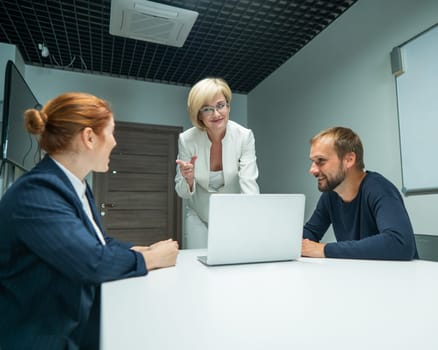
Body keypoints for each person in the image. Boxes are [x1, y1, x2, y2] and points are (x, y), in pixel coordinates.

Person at [0, 92, 179, 349]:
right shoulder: (37, 193)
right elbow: (91, 262)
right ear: (89, 137)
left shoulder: (74, 185)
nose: (115, 142)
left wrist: (137, 249)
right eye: (112, 132)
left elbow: (99, 242)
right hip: (40, 335)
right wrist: (152, 259)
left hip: (71, 321)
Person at [302, 126, 418, 260]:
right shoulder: (331, 195)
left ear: (349, 160)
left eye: (321, 161)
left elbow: (399, 243)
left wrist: (324, 249)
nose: (312, 170)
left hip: (396, 277)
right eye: (313, 162)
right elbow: (310, 233)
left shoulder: (379, 189)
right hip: (360, 275)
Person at [175, 77, 259, 246]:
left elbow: (249, 183)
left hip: (233, 214)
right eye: (207, 109)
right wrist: (189, 180)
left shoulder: (244, 136)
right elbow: (182, 192)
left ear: (228, 106)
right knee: (197, 263)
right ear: (198, 114)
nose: (216, 114)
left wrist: (253, 219)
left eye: (220, 105)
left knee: (231, 264)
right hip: (199, 215)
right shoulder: (187, 140)